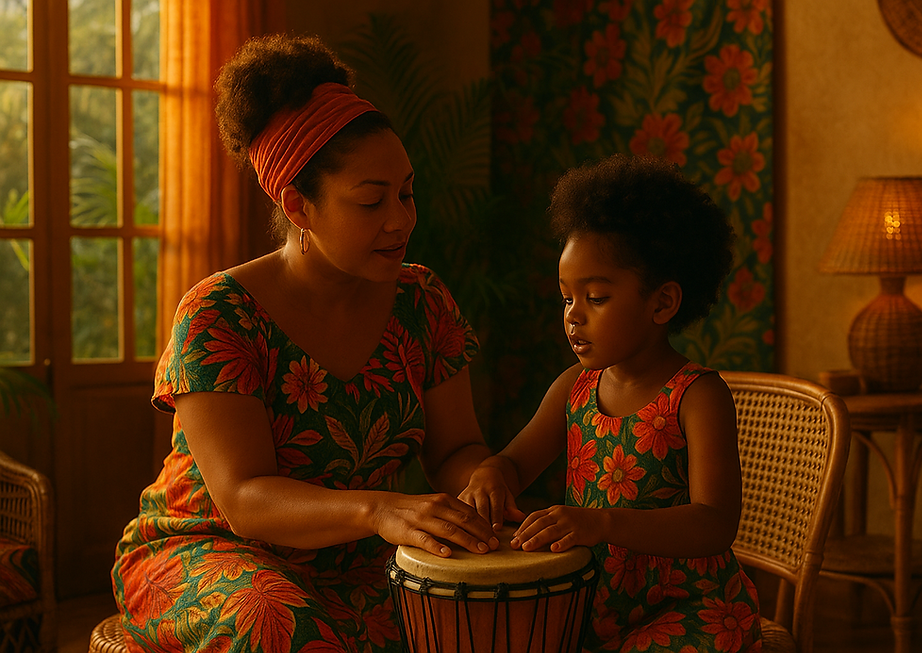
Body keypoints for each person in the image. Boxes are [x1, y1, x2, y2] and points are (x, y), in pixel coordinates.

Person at [111, 33, 499, 652]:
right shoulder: (220, 314)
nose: (402, 219)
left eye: (407, 192)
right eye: (372, 201)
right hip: (213, 553)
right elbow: (245, 499)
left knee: (479, 617)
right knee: (279, 622)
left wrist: (484, 481)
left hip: (360, 558)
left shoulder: (422, 301)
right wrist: (377, 510)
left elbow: (456, 447)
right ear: (298, 206)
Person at [460, 154, 763, 653]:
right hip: (595, 607)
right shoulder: (573, 388)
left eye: (596, 297)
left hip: (690, 610)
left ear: (662, 303)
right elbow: (516, 463)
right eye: (566, 298)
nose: (574, 316)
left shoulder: (697, 395)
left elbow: (713, 522)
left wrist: (599, 523)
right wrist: (493, 472)